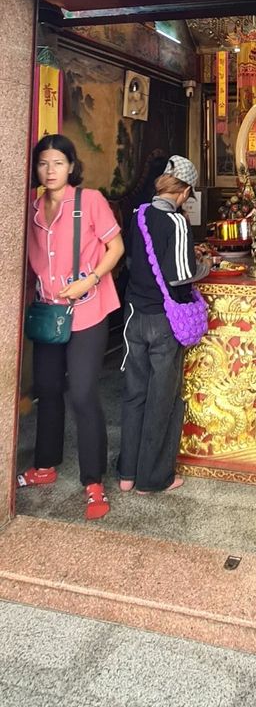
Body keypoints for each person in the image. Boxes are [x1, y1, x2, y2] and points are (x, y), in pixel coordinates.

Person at [19, 134, 125, 521]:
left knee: (81, 393)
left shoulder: (89, 201)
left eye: (58, 163)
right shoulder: (30, 208)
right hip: (49, 314)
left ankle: (93, 481)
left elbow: (116, 248)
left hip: (87, 311)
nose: (50, 170)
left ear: (71, 167)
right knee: (48, 389)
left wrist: (90, 279)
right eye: (43, 163)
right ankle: (45, 465)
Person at [117, 156, 211, 494]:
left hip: (134, 316)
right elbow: (180, 275)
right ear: (184, 192)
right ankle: (153, 478)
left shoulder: (139, 214)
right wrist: (206, 265)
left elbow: (133, 261)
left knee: (134, 394)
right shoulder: (177, 222)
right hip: (163, 321)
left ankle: (127, 474)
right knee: (162, 398)